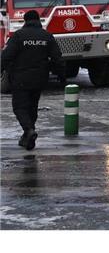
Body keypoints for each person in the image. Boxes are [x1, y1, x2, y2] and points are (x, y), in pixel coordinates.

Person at [1, 10, 65, 151]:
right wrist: (62, 76)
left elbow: (6, 57)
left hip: (20, 78)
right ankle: (28, 137)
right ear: (38, 20)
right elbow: (57, 59)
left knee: (19, 107)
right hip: (40, 78)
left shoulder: (19, 36)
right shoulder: (47, 36)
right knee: (32, 106)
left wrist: (8, 71)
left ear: (25, 20)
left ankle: (29, 130)